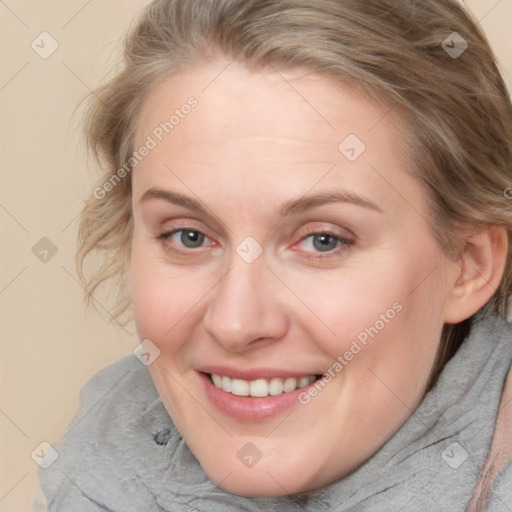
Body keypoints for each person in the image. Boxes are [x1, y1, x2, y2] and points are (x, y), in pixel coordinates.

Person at [36, 0, 512, 510]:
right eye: (189, 236)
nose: (235, 324)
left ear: (468, 265)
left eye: (323, 240)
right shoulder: (92, 470)